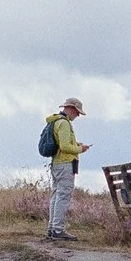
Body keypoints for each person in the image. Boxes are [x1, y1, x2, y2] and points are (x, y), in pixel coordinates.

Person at [41, 98, 86, 240]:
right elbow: (65, 147)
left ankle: (52, 228)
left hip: (57, 163)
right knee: (63, 196)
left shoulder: (55, 121)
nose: (77, 116)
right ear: (72, 109)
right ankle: (58, 230)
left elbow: (62, 144)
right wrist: (80, 148)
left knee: (56, 195)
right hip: (65, 163)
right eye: (77, 112)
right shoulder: (64, 123)